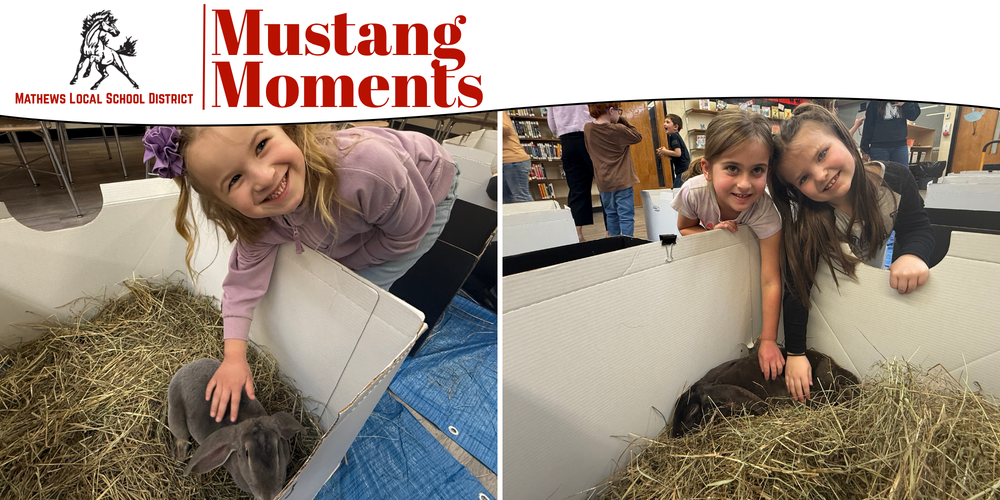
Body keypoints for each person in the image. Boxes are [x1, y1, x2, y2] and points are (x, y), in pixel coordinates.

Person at [142, 123, 459, 423]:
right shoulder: (260, 219)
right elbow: (241, 284)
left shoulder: (367, 169)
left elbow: (407, 232)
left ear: (288, 127)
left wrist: (351, 266)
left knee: (365, 293)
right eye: (235, 179)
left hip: (425, 187)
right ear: (224, 203)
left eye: (261, 145)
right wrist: (234, 357)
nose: (264, 177)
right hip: (366, 199)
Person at [770, 103, 934, 402]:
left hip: (873, 290)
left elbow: (918, 228)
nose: (821, 175)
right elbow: (797, 286)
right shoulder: (810, 221)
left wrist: (911, 255)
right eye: (803, 178)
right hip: (836, 307)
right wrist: (795, 353)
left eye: (822, 154)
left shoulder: (896, 179)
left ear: (843, 137)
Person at [670, 109, 784, 381]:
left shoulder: (765, 210)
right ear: (707, 169)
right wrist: (713, 236)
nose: (744, 184)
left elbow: (771, 277)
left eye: (757, 170)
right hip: (708, 277)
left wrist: (768, 339)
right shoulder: (693, 193)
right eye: (732, 168)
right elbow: (684, 228)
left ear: (768, 171)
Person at [583, 103, 642, 237]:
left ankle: (614, 243)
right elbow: (637, 136)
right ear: (611, 110)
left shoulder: (588, 128)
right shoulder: (619, 129)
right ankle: (628, 244)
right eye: (618, 111)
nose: (619, 114)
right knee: (626, 216)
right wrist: (621, 119)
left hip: (604, 182)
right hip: (622, 181)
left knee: (611, 214)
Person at [547, 105, 598, 242]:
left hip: (566, 139)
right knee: (604, 184)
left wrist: (561, 131)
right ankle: (610, 231)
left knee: (576, 188)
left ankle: (577, 234)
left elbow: (551, 121)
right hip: (590, 133)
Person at [859, 100, 920, 165]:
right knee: (881, 171)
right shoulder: (874, 103)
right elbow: (868, 125)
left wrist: (905, 103)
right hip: (879, 147)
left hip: (900, 145)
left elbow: (913, 116)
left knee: (902, 171)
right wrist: (865, 149)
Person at [502, 110, 533, 203]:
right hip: (506, 161)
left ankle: (537, 213)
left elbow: (506, 129)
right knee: (505, 198)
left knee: (522, 196)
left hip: (513, 160)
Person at [655, 113, 691, 188]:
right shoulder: (674, 136)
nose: (664, 124)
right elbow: (675, 156)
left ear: (675, 127)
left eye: (667, 122)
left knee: (676, 190)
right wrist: (665, 153)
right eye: (665, 122)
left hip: (682, 171)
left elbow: (678, 153)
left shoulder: (674, 136)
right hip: (684, 171)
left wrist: (665, 151)